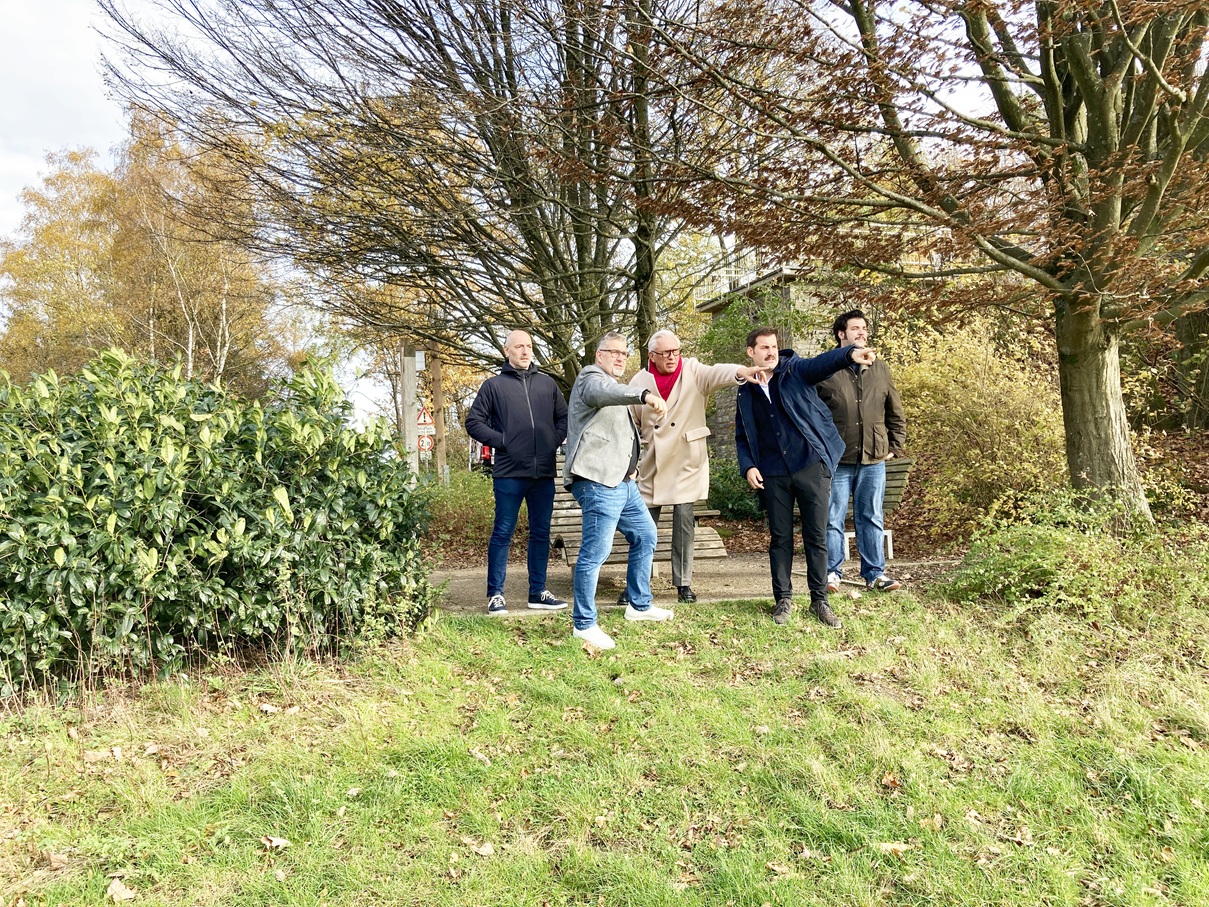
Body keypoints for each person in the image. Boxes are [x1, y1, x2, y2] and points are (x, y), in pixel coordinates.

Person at [735, 326, 877, 627]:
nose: (770, 352)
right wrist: (748, 466)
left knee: (816, 535)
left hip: (811, 465)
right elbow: (742, 434)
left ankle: (820, 601)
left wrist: (850, 354)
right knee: (780, 538)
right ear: (751, 352)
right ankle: (783, 600)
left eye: (773, 346)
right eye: (763, 347)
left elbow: (823, 362)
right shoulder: (745, 390)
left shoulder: (795, 370)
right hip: (773, 472)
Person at [629, 330, 767, 603]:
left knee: (684, 523)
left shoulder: (693, 370)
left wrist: (741, 371)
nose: (672, 357)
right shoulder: (639, 381)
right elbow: (631, 423)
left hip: (686, 461)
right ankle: (636, 584)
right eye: (666, 353)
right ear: (651, 356)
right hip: (652, 462)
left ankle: (683, 583)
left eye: (676, 351)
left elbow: (718, 372)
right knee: (643, 527)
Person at [563, 331, 672, 650]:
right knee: (595, 552)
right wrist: (644, 395)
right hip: (597, 481)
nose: (620, 357)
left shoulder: (614, 387)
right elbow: (602, 394)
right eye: (613, 352)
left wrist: (633, 464)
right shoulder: (590, 378)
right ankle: (583, 624)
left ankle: (639, 605)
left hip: (623, 483)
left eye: (625, 353)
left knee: (646, 535)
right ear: (599, 355)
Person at [465, 329, 569, 616]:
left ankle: (538, 592)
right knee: (502, 533)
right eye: (519, 346)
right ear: (507, 350)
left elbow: (565, 417)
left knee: (541, 533)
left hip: (543, 474)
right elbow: (473, 422)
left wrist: (552, 440)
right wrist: (503, 441)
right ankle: (495, 594)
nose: (525, 351)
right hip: (509, 473)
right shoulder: (493, 386)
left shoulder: (547, 384)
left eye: (529, 346)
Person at [817, 310, 907, 593]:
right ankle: (832, 574)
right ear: (841, 334)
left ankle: (875, 575)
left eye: (865, 328)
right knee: (832, 518)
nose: (862, 333)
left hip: (873, 458)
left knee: (871, 516)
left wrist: (895, 444)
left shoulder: (879, 367)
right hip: (837, 459)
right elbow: (812, 413)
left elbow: (894, 408)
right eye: (855, 328)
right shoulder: (826, 368)